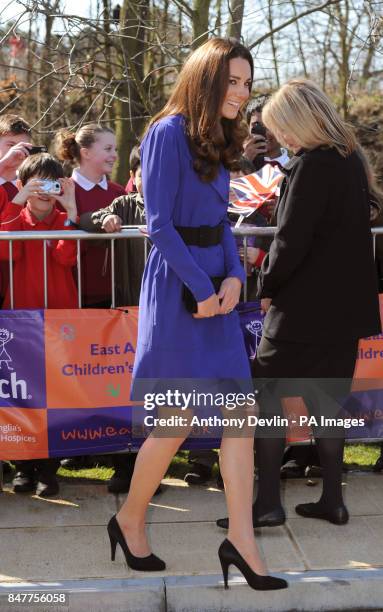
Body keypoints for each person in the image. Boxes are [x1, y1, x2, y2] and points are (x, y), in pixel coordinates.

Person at [106, 37, 287, 591]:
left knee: (239, 417)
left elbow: (220, 222)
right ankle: (130, 519)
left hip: (216, 284)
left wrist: (235, 276)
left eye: (247, 82)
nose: (242, 92)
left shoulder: (219, 137)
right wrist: (202, 287)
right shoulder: (166, 132)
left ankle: (240, 539)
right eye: (232, 81)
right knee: (176, 421)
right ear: (206, 80)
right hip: (179, 287)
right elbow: (159, 224)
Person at [217, 78, 381, 531]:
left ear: (295, 122)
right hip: (345, 312)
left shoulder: (312, 166)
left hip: (302, 310)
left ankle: (267, 502)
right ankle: (333, 501)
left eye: (279, 129)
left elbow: (291, 240)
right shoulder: (350, 161)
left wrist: (266, 285)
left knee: (268, 400)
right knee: (327, 405)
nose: (278, 139)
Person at [0, 152, 79, 496]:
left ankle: (49, 468)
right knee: (21, 394)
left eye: (51, 183)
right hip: (20, 317)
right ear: (23, 186)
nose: (44, 192)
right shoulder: (17, 219)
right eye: (37, 184)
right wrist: (16, 200)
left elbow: (66, 255)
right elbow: (5, 250)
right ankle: (23, 466)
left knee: (57, 394)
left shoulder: (64, 219)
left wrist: (72, 211)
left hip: (60, 317)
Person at [55, 124, 125, 307]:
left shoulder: (119, 193)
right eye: (108, 149)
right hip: (71, 294)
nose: (115, 155)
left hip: (115, 295)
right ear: (86, 153)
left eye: (115, 149)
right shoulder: (62, 191)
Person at [0, 114, 32, 202]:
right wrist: (4, 162)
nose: (17, 150)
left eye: (23, 146)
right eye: (11, 145)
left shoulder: (30, 185)